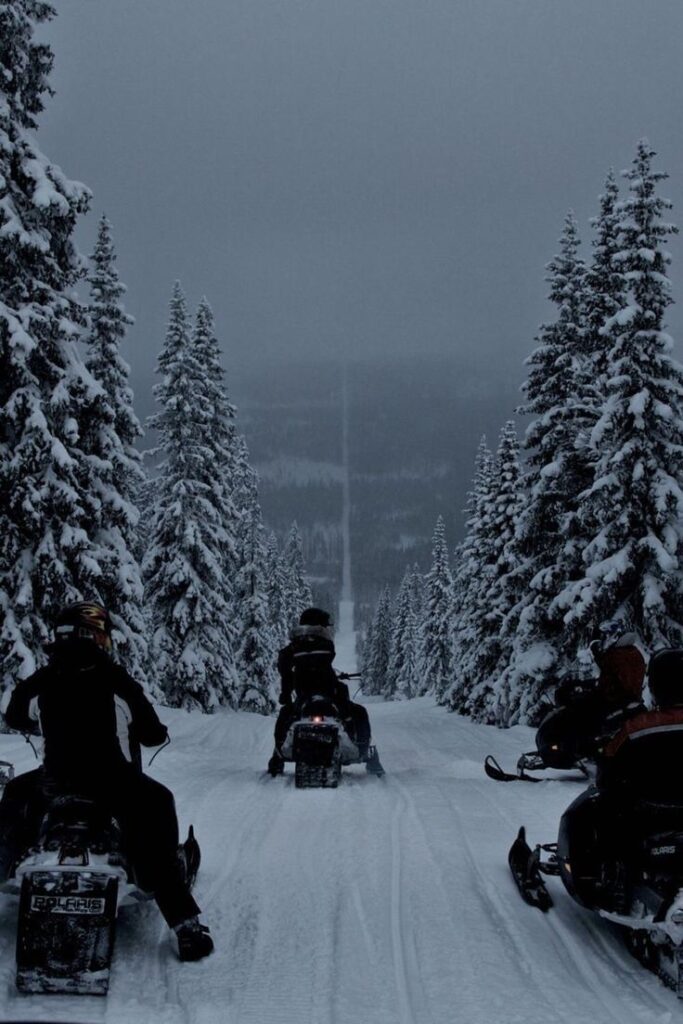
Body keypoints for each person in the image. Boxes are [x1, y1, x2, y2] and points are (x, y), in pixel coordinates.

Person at [0, 601, 213, 962]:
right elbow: (149, 732)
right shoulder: (114, 677)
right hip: (111, 782)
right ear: (98, 637)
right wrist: (154, 731)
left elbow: (15, 715)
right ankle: (185, 926)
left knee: (12, 799)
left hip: (54, 782)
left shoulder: (43, 678)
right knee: (158, 807)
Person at [558, 648, 683, 912]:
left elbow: (608, 770)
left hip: (649, 814)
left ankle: (606, 881)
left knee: (599, 812)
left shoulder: (639, 727)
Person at [267, 607, 372, 775]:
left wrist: (285, 694)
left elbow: (285, 671)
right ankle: (364, 750)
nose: (327, 628)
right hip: (329, 693)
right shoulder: (326, 644)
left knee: (286, 714)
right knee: (358, 712)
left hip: (304, 695)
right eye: (325, 625)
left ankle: (278, 756)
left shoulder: (292, 649)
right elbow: (323, 665)